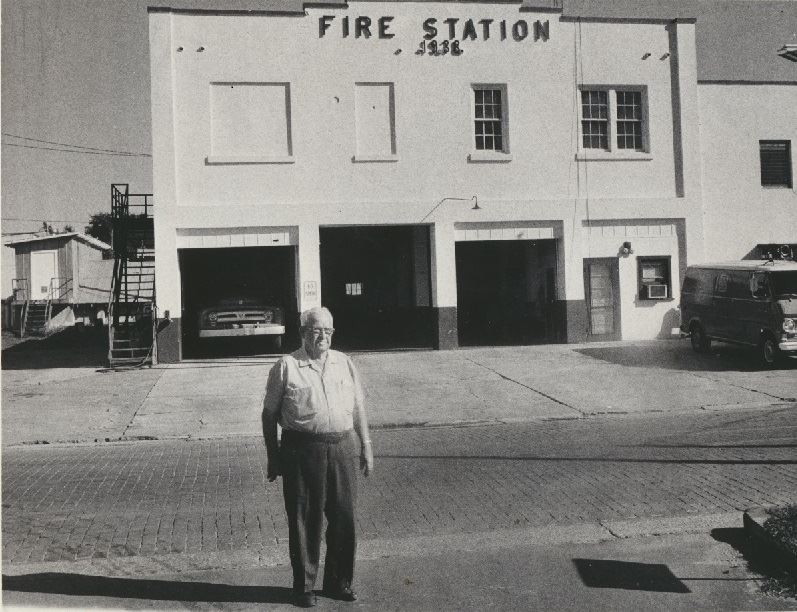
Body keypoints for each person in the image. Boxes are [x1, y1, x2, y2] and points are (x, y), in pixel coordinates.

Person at [262, 306, 374, 608]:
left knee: (344, 518)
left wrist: (366, 444)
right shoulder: (286, 366)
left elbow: (358, 408)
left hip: (342, 448)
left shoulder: (345, 363)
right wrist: (273, 457)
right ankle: (304, 587)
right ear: (302, 332)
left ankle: (340, 583)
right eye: (315, 329)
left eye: (327, 330)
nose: (322, 335)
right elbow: (269, 414)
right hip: (301, 450)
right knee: (304, 520)